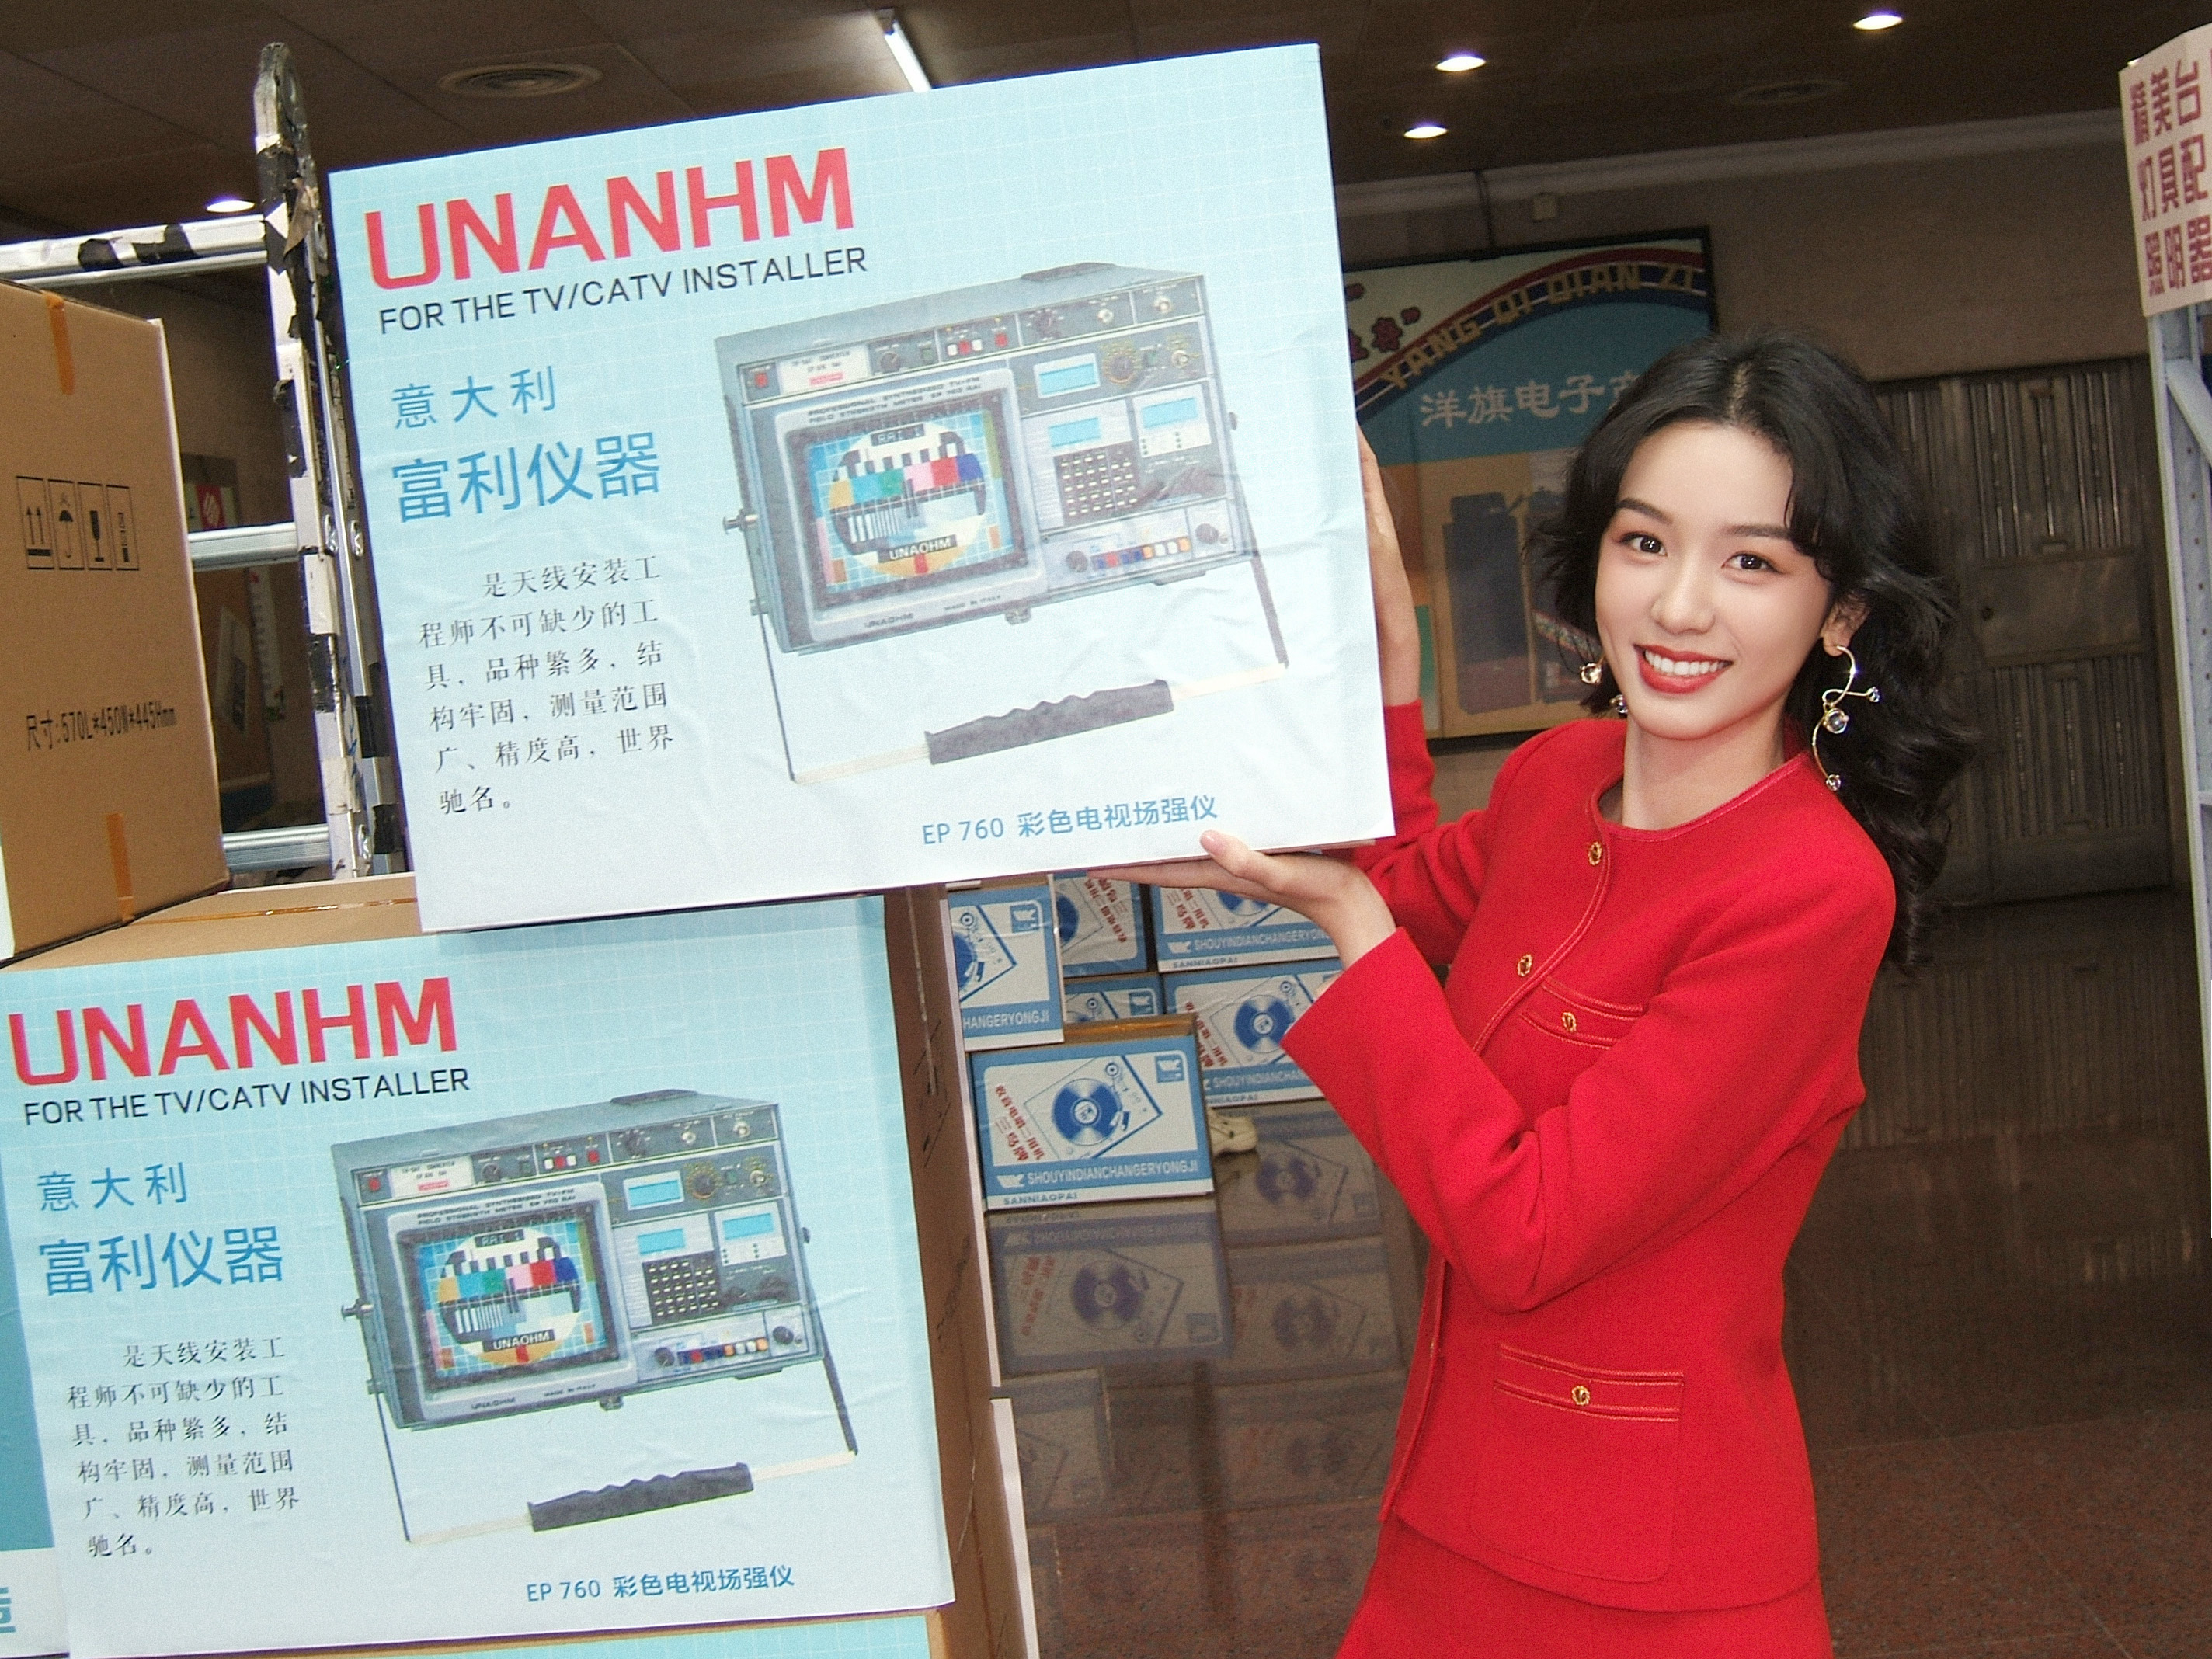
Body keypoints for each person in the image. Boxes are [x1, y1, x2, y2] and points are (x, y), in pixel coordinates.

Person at [1122, 332, 1975, 1657]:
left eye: (1751, 562)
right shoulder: (1554, 778)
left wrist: (1348, 920)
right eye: (1645, 543)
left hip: (1651, 1585)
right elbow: (1397, 882)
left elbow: (1523, 1230)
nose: (1679, 606)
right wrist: (1391, 652)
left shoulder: (1812, 891)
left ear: (1841, 613)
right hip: (1450, 1513)